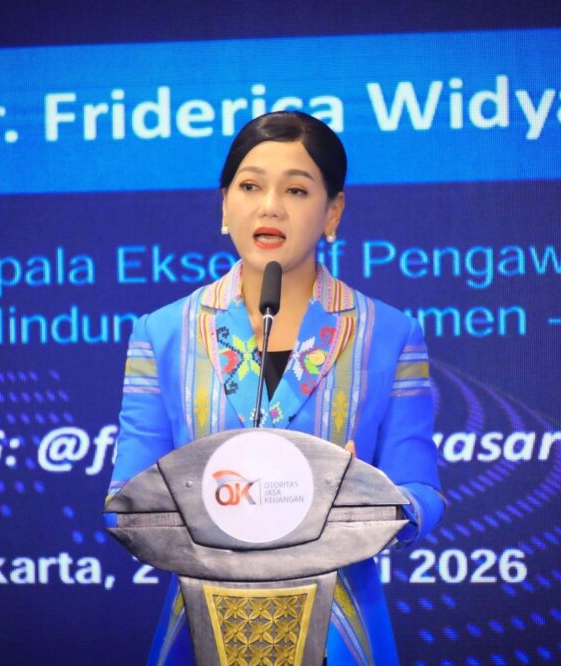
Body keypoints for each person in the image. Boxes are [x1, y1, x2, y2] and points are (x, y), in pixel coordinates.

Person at [107, 111, 445, 665]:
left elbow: (423, 495)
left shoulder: (388, 334)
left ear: (333, 211)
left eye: (296, 189)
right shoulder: (163, 333)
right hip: (200, 629)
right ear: (224, 206)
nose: (270, 207)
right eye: (250, 186)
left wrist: (369, 497)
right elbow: (124, 503)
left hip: (338, 630)